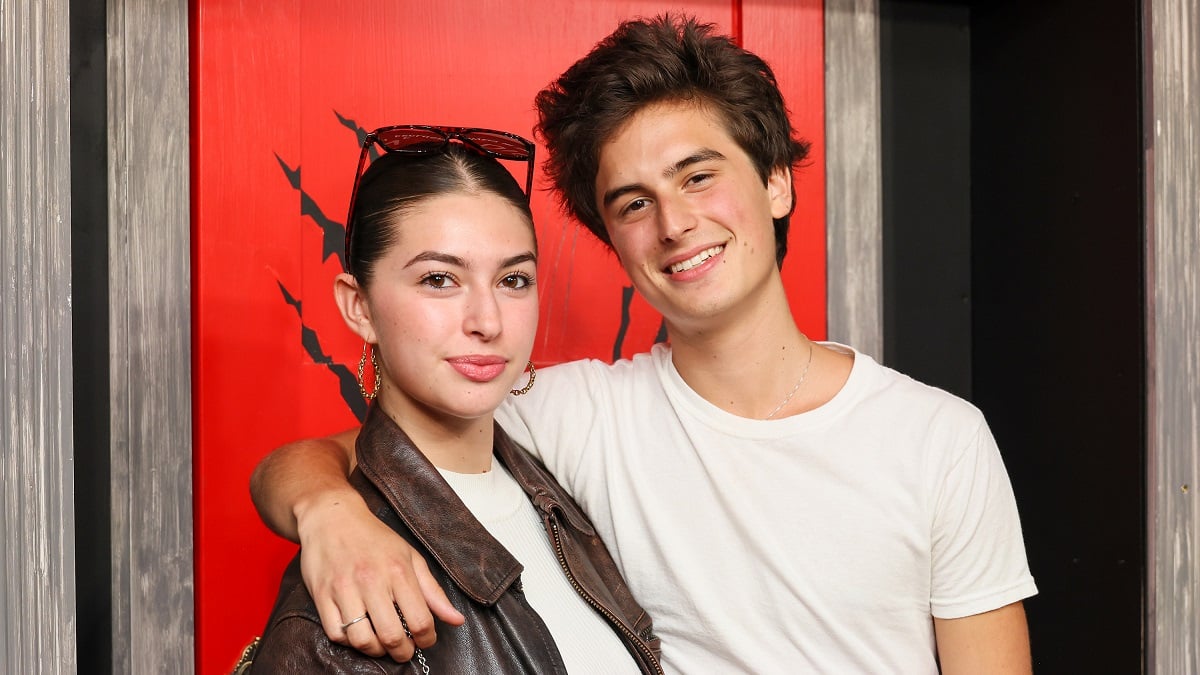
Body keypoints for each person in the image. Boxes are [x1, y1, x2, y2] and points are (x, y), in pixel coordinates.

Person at [251, 16, 1038, 673]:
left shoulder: (939, 439)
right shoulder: (572, 416)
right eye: (634, 202)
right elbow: (363, 457)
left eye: (698, 176)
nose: (674, 223)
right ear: (613, 244)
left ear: (776, 182)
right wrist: (327, 511)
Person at [245, 126, 661, 674]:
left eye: (513, 280)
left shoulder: (557, 481)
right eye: (440, 279)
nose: (488, 322)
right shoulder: (351, 597)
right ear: (359, 307)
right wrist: (325, 507)